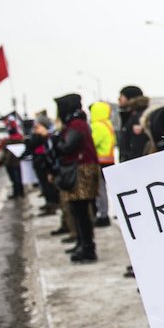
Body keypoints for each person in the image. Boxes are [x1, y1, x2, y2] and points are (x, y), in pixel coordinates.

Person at [35, 93, 101, 263]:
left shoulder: (77, 125)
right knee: (77, 210)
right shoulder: (75, 123)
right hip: (78, 170)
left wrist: (54, 140)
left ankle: (87, 247)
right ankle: (82, 242)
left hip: (81, 171)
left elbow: (67, 147)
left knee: (81, 211)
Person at [117, 85, 149, 277]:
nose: (118, 100)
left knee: (141, 224)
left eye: (121, 97)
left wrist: (130, 170)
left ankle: (142, 263)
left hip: (136, 176)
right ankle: (138, 261)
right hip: (130, 174)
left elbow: (136, 148)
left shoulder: (138, 117)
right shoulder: (131, 115)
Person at [90, 101, 116, 227]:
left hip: (100, 161)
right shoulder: (108, 124)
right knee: (105, 189)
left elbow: (92, 143)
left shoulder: (97, 126)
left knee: (100, 190)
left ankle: (103, 215)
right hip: (109, 160)